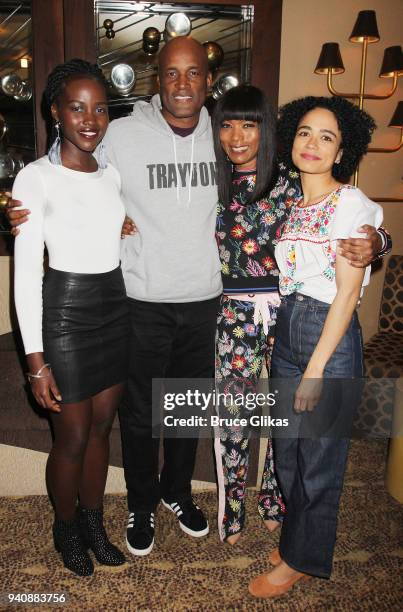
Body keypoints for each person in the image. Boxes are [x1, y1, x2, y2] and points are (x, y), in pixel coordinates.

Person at [6, 38, 389, 557]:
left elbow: (325, 191)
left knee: (186, 409)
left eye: (193, 74)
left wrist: (378, 239)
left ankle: (176, 492)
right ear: (155, 79)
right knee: (140, 413)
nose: (183, 84)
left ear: (209, 83)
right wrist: (19, 201)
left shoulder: (225, 132)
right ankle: (140, 502)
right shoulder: (121, 134)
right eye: (171, 74)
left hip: (208, 300)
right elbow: (73, 162)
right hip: (139, 299)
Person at [248, 96, 383, 598]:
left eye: (327, 137)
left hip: (329, 339)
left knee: (319, 460)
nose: (314, 144)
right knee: (288, 454)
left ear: (341, 149)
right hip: (289, 330)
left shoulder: (351, 205)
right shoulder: (295, 202)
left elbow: (348, 292)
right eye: (306, 132)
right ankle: (295, 542)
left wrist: (317, 369)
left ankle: (303, 560)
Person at [13, 59, 128, 576]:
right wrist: (36, 363)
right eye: (77, 107)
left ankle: (93, 521)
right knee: (74, 435)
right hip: (64, 312)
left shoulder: (113, 174)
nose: (90, 118)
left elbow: (107, 228)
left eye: (100, 108)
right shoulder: (34, 178)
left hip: (113, 305)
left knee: (103, 429)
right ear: (55, 111)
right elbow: (24, 279)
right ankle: (65, 528)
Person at [212, 85, 289, 545]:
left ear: (265, 127)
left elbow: (347, 213)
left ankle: (274, 498)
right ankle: (233, 509)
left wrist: (377, 239)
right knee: (233, 416)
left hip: (287, 311)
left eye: (248, 123)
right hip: (233, 315)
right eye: (226, 124)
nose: (236, 135)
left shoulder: (292, 182)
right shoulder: (212, 184)